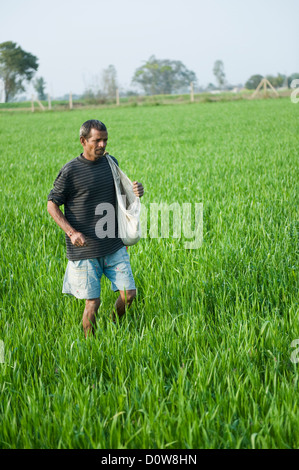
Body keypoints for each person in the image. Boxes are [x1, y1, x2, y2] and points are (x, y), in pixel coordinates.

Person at [47, 119, 144, 337]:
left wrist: (135, 191)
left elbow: (123, 198)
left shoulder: (111, 163)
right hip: (85, 249)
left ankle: (114, 325)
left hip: (114, 244)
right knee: (93, 302)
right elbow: (51, 204)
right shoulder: (70, 171)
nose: (102, 145)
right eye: (96, 140)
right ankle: (91, 348)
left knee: (129, 294)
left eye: (105, 140)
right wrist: (71, 233)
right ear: (83, 141)